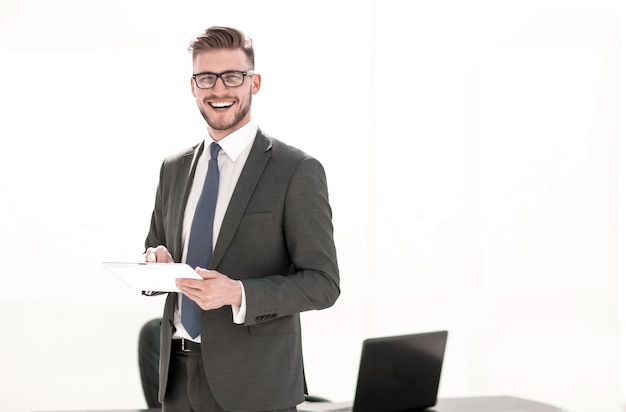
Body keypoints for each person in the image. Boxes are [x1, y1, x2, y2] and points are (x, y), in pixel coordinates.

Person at [142, 25, 340, 412]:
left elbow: (323, 284)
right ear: (193, 85)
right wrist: (154, 264)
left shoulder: (295, 169)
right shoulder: (173, 168)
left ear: (255, 82)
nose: (219, 90)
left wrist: (238, 293)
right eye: (206, 78)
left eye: (233, 76)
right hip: (178, 380)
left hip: (256, 385)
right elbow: (155, 247)